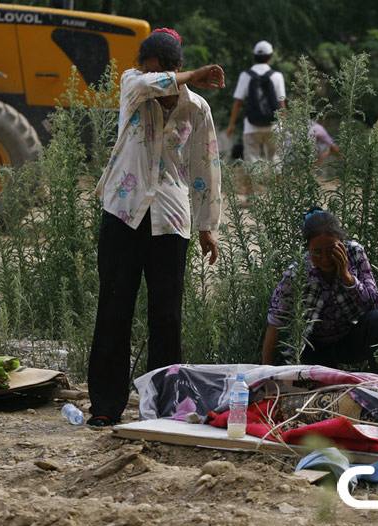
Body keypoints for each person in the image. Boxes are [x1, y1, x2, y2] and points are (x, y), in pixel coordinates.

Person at [87, 28, 225, 427]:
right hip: (123, 213)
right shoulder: (133, 86)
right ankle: (105, 406)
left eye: (162, 71)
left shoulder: (196, 108)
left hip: (170, 219)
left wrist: (207, 227)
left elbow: (205, 166)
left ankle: (164, 408)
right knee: (114, 309)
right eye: (148, 70)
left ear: (174, 67)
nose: (154, 79)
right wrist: (190, 75)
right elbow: (150, 83)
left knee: (166, 316)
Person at [261, 208, 378, 372]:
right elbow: (275, 323)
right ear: (308, 250)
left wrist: (346, 276)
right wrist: (265, 373)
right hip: (315, 349)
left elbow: (374, 302)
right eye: (317, 252)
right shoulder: (297, 273)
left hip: (348, 340)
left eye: (331, 250)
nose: (325, 258)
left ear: (342, 244)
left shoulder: (355, 253)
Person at [226, 40, 286, 163]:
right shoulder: (277, 76)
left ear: (254, 56)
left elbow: (238, 102)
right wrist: (284, 125)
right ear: (270, 56)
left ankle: (256, 182)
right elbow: (281, 103)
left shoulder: (245, 75)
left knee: (252, 159)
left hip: (251, 126)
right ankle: (276, 182)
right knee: (275, 159)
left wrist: (231, 125)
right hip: (273, 125)